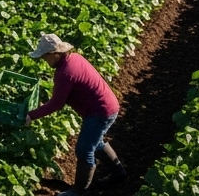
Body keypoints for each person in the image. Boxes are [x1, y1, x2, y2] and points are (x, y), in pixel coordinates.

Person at [25, 34, 127, 195]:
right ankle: (119, 174)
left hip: (100, 112)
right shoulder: (74, 58)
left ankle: (80, 191)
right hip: (107, 105)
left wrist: (31, 115)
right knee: (96, 142)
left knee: (84, 149)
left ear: (56, 53)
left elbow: (56, 104)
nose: (44, 60)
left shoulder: (65, 73)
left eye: (45, 56)